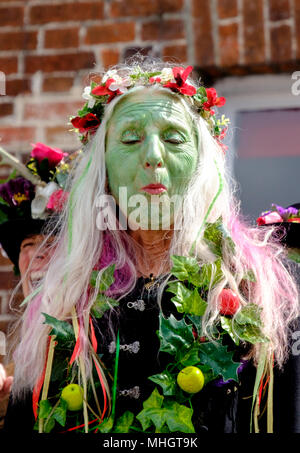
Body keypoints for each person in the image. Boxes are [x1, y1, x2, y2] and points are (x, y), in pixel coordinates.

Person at [4, 59, 300, 434]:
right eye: (130, 139)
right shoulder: (64, 299)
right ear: (104, 170)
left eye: (175, 139)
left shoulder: (260, 291)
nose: (154, 156)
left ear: (201, 165)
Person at [0, 143, 75, 428]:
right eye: (27, 245)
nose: (35, 254)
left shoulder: (102, 332)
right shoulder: (18, 358)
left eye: (51, 242)